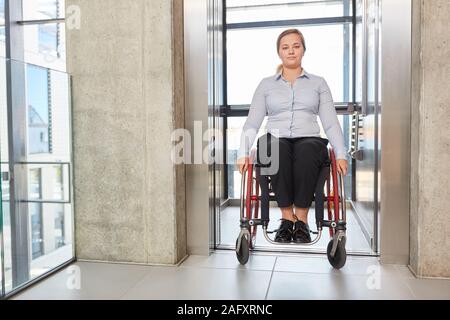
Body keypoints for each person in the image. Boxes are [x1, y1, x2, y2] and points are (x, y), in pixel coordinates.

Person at [236, 28, 348, 244]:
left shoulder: (318, 83)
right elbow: (252, 121)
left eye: (296, 46)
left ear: (303, 50)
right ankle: (287, 219)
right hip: (276, 138)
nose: (291, 51)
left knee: (307, 150)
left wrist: (341, 153)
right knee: (273, 148)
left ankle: (302, 221)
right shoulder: (266, 85)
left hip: (309, 137)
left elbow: (331, 122)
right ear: (279, 52)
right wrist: (242, 153)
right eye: (285, 47)